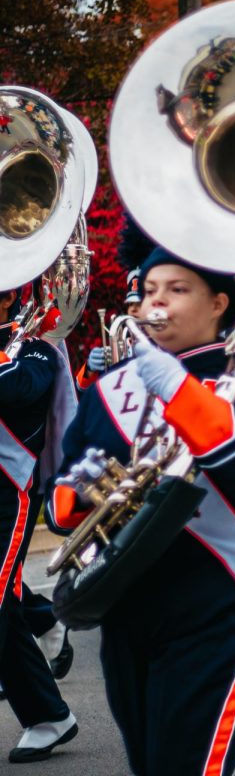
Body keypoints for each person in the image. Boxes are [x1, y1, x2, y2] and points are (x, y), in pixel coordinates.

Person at [49, 249, 235, 775]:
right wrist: (82, 492)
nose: (156, 301)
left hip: (220, 606)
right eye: (150, 289)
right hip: (126, 608)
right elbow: (58, 499)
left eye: (176, 289)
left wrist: (174, 387)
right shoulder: (107, 390)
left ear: (219, 302)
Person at [0, 287, 78, 765]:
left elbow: (17, 389)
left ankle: (47, 715)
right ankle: (49, 716)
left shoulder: (36, 347)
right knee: (4, 608)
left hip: (7, 496)